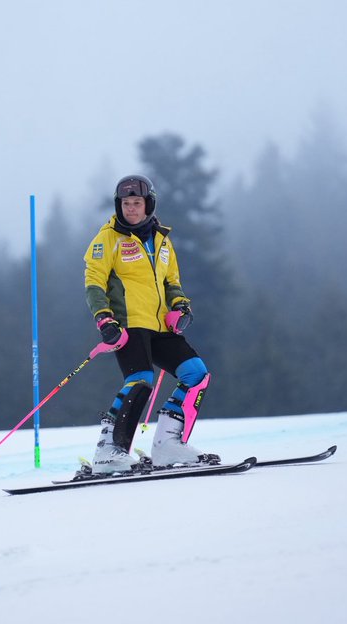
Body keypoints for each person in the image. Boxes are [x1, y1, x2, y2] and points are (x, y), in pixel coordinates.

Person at [82, 174, 216, 473]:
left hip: (160, 327)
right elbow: (94, 282)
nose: (130, 209)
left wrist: (181, 305)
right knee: (140, 379)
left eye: (136, 203)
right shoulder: (107, 238)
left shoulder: (162, 240)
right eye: (126, 203)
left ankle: (167, 445)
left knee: (196, 374)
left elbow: (172, 282)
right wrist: (103, 317)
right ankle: (108, 451)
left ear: (148, 205)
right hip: (128, 324)